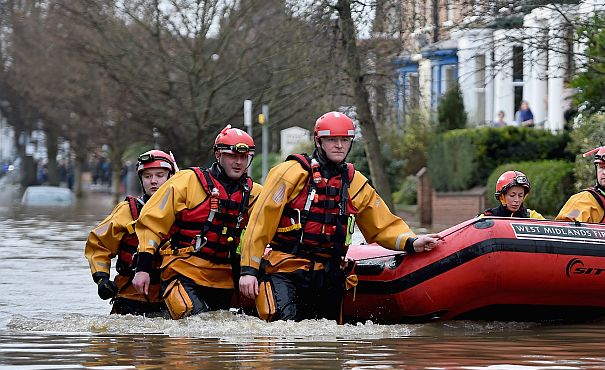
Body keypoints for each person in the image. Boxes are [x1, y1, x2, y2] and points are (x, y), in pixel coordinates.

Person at [238, 111, 442, 323]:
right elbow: (259, 224)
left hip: (329, 274)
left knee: (330, 342)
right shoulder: (290, 173)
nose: (339, 145)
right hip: (285, 270)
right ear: (319, 141)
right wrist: (248, 271)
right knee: (285, 333)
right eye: (332, 139)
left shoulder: (354, 182)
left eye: (344, 140)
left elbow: (383, 224)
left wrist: (412, 241)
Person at [131, 126, 263, 319]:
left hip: (223, 279)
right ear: (218, 155)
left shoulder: (255, 193)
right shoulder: (187, 181)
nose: (238, 162)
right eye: (232, 156)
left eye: (244, 157)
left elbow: (264, 232)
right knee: (194, 329)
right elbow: (152, 224)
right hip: (184, 271)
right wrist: (142, 268)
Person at [85, 150, 175, 316]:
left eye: (160, 175)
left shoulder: (183, 212)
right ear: (141, 180)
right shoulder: (126, 212)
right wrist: (101, 279)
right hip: (130, 298)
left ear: (171, 177)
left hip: (172, 300)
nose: (153, 181)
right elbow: (98, 245)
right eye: (147, 176)